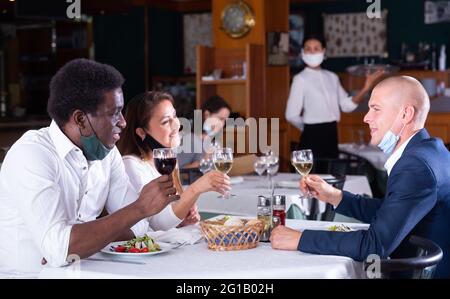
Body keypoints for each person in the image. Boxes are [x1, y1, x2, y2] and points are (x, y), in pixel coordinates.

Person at [0, 59, 177, 277]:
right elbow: (61, 250)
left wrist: (81, 241)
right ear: (81, 119)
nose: (122, 122)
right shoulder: (32, 155)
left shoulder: (107, 153)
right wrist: (138, 208)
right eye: (114, 112)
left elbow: (140, 227)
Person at [271, 76, 450, 278]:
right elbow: (392, 211)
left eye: (376, 109)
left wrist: (300, 239)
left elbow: (374, 245)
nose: (366, 117)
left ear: (406, 114)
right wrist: (335, 196)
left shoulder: (415, 166)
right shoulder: (430, 150)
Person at [116, 91, 230, 228]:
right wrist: (196, 188)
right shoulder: (131, 165)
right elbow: (158, 224)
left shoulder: (168, 160)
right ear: (142, 132)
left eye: (175, 116)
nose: (177, 125)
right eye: (165, 122)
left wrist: (183, 219)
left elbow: (171, 216)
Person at [285, 34, 384, 160]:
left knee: (330, 177)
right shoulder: (300, 79)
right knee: (312, 177)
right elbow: (291, 115)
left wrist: (366, 87)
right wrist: (308, 128)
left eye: (316, 48)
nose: (312, 52)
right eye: (308, 49)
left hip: (332, 134)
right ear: (303, 52)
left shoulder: (332, 77)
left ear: (323, 51)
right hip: (311, 135)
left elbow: (347, 106)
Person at [177, 95, 231, 169]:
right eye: (221, 119)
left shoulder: (213, 142)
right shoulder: (191, 140)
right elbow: (177, 172)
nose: (222, 124)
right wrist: (203, 161)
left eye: (225, 121)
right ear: (207, 115)